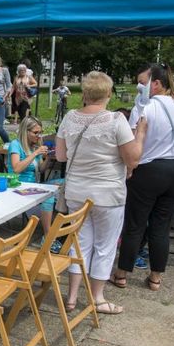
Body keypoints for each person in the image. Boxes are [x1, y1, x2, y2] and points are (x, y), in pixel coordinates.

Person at [56, 71, 146, 314]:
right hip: (108, 193)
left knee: (80, 244)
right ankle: (97, 297)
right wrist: (141, 134)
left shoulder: (69, 118)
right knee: (105, 246)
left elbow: (60, 156)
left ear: (84, 93)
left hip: (76, 192)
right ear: (108, 93)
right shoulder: (117, 120)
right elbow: (132, 160)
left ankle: (72, 297)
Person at [111, 63, 174, 291]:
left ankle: (122, 274)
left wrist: (130, 168)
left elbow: (136, 142)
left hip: (148, 169)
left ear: (156, 83)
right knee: (161, 225)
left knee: (135, 224)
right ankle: (156, 277)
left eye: (145, 83)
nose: (141, 87)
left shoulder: (147, 107)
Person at [7, 116, 62, 253]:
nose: (39, 136)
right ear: (26, 131)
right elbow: (16, 168)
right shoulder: (16, 144)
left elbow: (41, 169)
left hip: (33, 186)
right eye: (35, 133)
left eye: (40, 132)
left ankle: (62, 229)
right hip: (18, 186)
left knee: (66, 183)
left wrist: (48, 158)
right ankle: (48, 236)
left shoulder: (34, 146)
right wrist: (36, 153)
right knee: (48, 196)